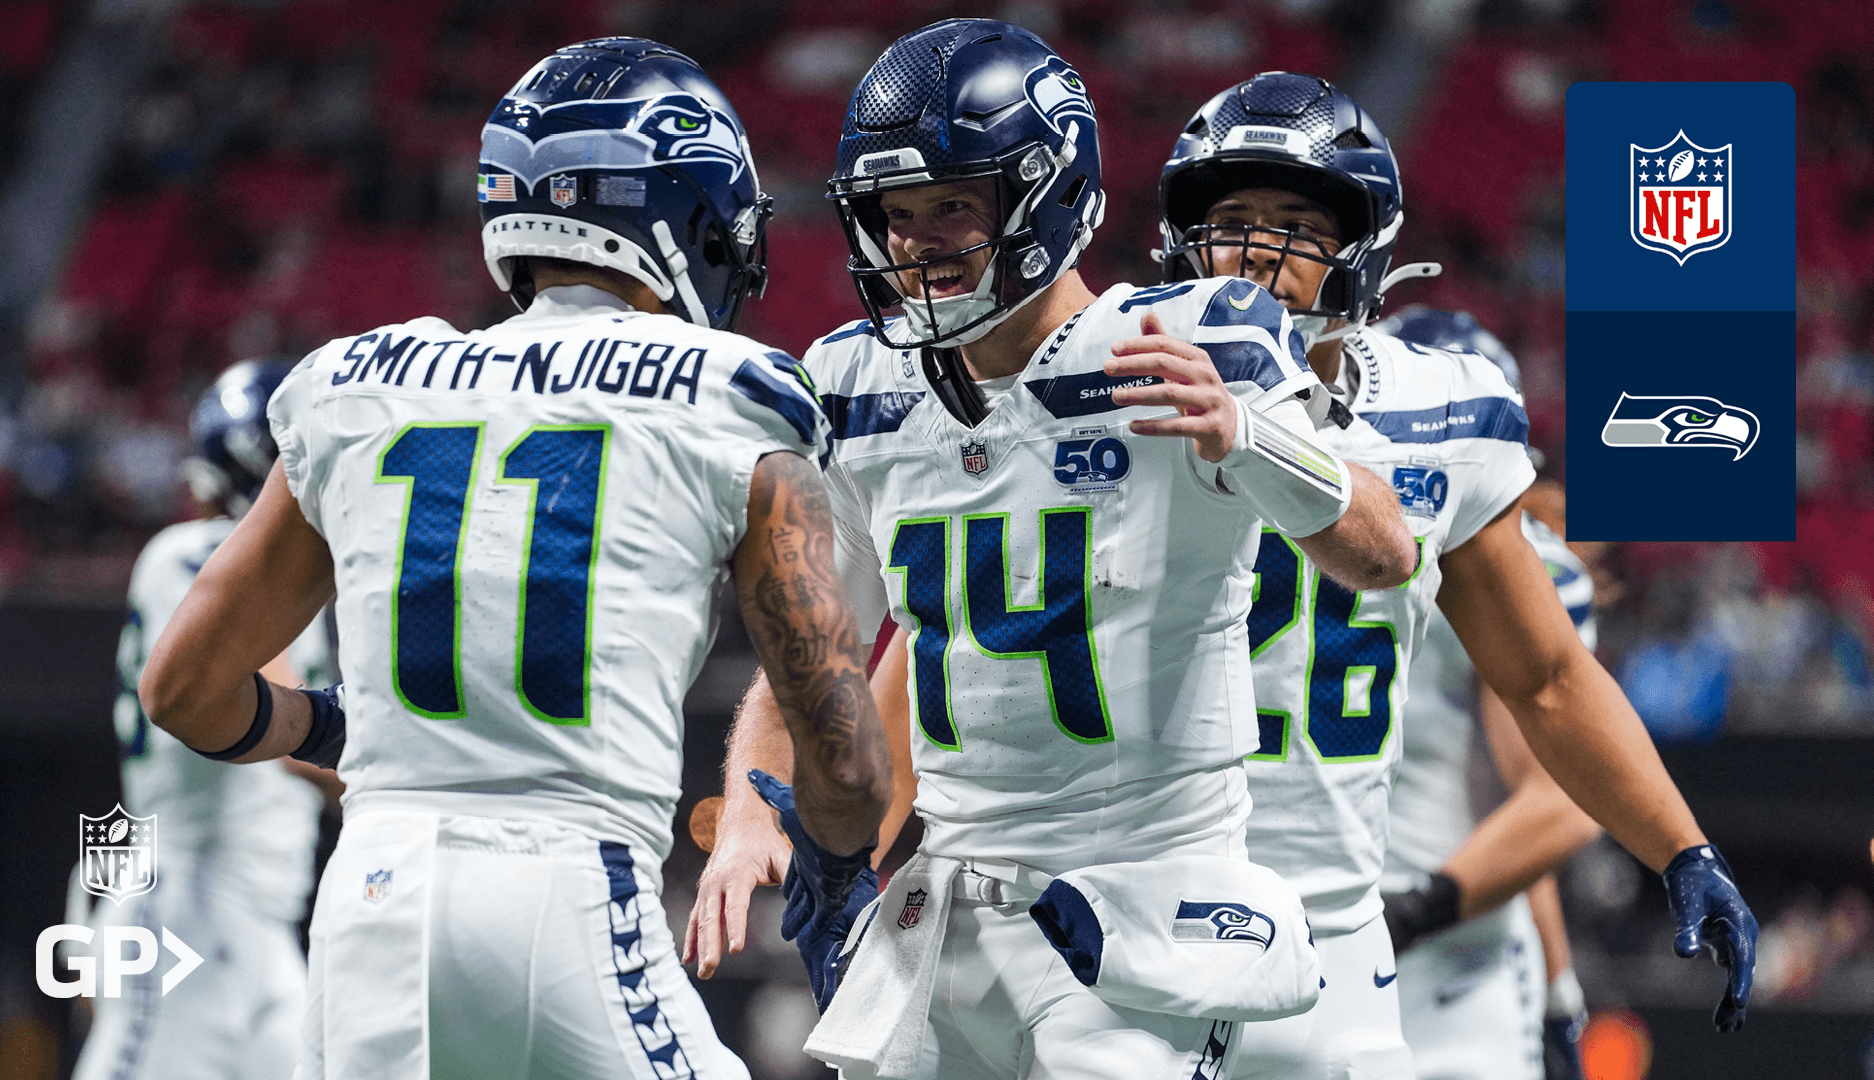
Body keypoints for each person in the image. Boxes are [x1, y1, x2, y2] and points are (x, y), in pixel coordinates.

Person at [138, 38, 892, 1080]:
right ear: (684, 212)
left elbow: (182, 690)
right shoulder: (732, 393)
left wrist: (325, 723)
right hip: (567, 887)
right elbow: (844, 761)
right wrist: (839, 863)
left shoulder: (357, 385)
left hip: (368, 905)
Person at [686, 21, 1419, 1080]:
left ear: (1047, 193)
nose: (916, 241)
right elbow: (816, 640)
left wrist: (1250, 435)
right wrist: (754, 806)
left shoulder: (1197, 339)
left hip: (1144, 900)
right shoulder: (853, 379)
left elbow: (1384, 550)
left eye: (951, 205)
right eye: (895, 213)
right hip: (945, 898)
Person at [1150, 72, 1756, 1079]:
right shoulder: (1105, 389)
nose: (1257, 255)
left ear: (1362, 250)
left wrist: (1681, 848)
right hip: (1137, 918)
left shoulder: (1437, 415)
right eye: (1233, 222)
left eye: (1297, 226)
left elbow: (1548, 679)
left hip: (1343, 938)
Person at [72, 361, 335, 1080]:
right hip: (191, 902)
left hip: (257, 923)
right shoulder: (194, 553)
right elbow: (292, 739)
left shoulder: (279, 579)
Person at [1372, 309, 1602, 1080]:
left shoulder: (1526, 568)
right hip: (1323, 930)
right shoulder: (1295, 519)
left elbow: (1555, 801)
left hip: (1444, 960)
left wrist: (1409, 914)